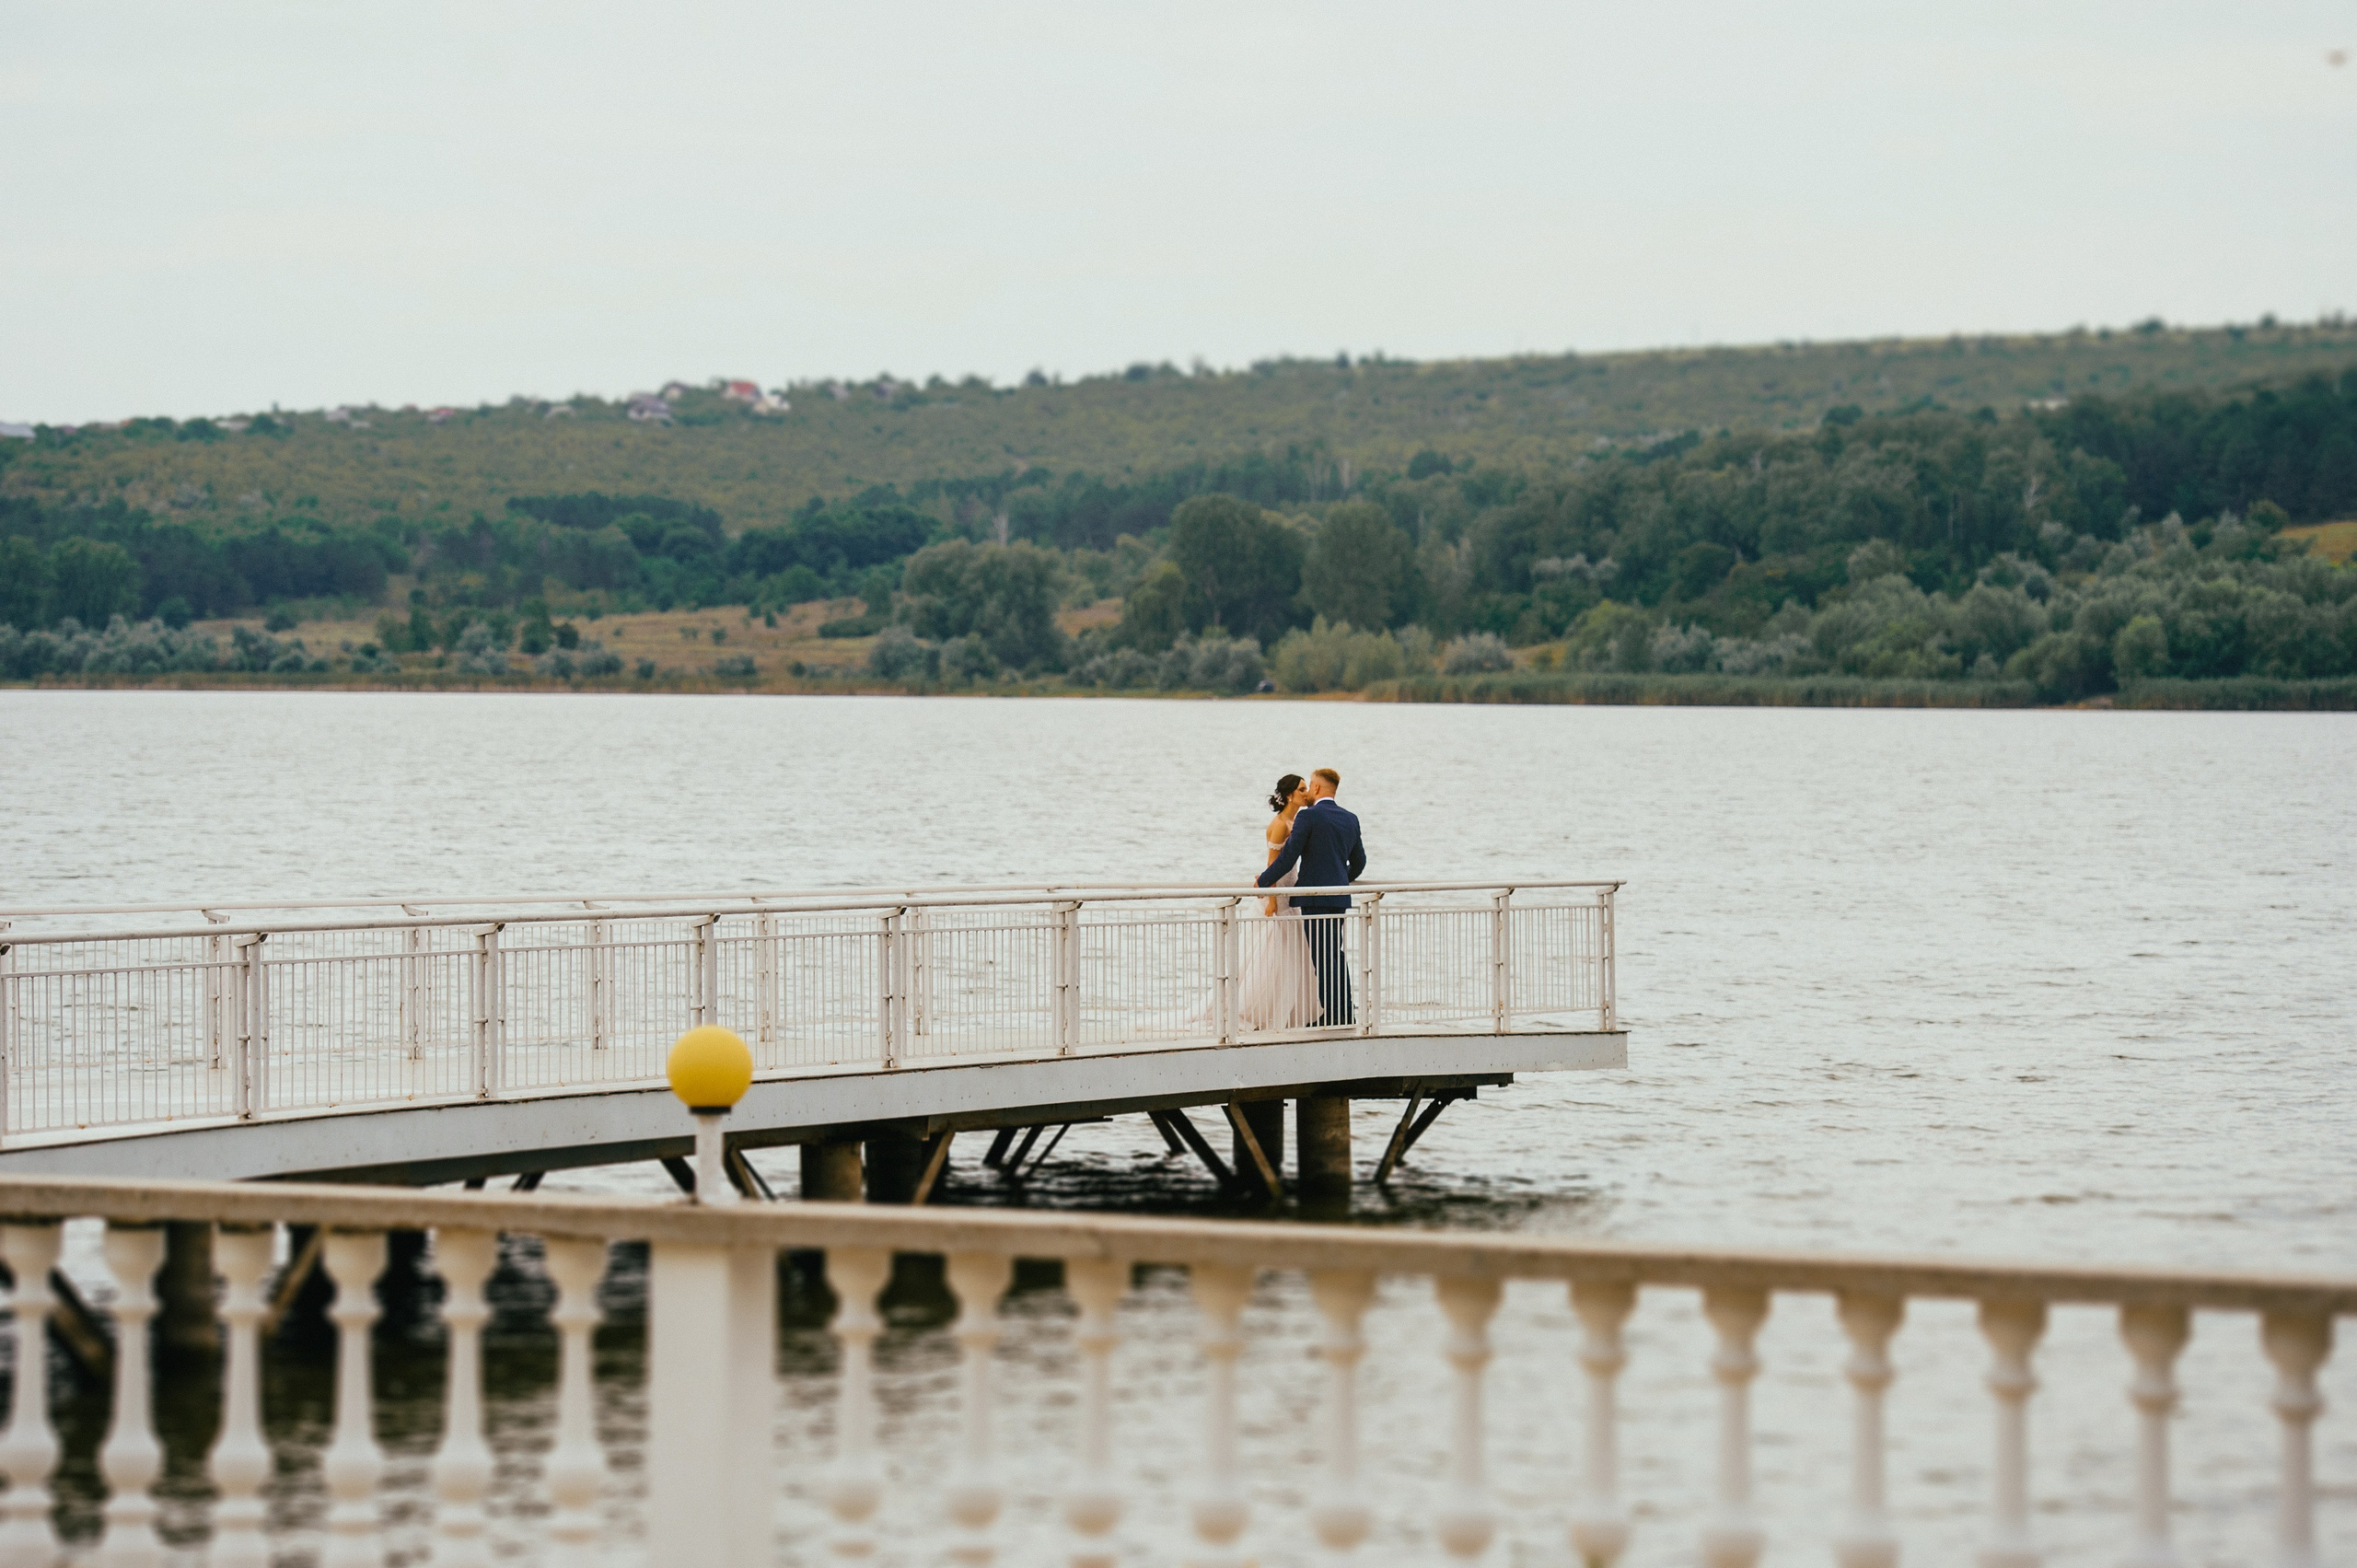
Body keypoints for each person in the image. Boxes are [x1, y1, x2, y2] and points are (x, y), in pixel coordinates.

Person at [1257, 767, 1364, 1027]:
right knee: (1336, 955)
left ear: (1316, 788)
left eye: (1310, 787)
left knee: (1322, 957)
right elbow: (1359, 863)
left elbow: (1288, 857)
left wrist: (1262, 880)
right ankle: (1346, 1012)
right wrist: (1339, 878)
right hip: (1338, 896)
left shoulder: (1308, 817)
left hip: (1314, 898)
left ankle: (1332, 1015)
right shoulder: (1350, 818)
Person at [1236, 773, 1321, 1029]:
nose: (1307, 793)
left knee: (1293, 954)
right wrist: (1271, 898)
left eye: (1308, 788)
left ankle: (1290, 1010)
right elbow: (1271, 864)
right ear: (1289, 795)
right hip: (1279, 892)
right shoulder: (1280, 824)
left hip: (1291, 889)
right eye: (1302, 789)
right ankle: (1262, 1011)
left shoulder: (1298, 820)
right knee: (1272, 954)